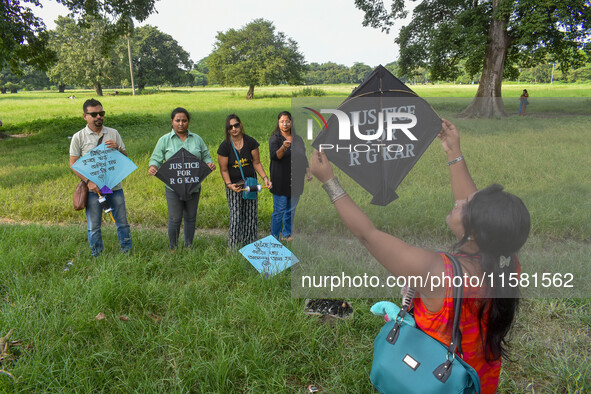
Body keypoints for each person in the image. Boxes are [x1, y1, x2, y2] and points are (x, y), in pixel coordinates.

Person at [309, 119, 530, 394]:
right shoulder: (506, 261)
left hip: (433, 380)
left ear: (474, 232)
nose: (460, 201)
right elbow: (476, 208)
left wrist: (329, 180)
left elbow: (368, 235)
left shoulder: (437, 272)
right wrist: (452, 151)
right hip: (475, 379)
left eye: (466, 206)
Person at [69, 99, 132, 257]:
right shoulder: (79, 137)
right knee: (94, 225)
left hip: (113, 186)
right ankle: (97, 255)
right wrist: (89, 182)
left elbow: (125, 157)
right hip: (93, 189)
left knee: (122, 222)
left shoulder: (113, 133)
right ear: (85, 116)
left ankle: (127, 252)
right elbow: (73, 164)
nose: (99, 117)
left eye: (101, 113)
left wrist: (117, 148)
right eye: (94, 114)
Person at [148, 107, 216, 250]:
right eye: (177, 120)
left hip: (193, 186)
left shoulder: (197, 139)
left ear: (188, 122)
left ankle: (188, 246)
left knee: (190, 217)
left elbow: (206, 155)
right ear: (172, 122)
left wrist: (209, 163)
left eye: (184, 121)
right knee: (175, 218)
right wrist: (153, 166)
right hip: (173, 187)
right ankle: (173, 248)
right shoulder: (164, 140)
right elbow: (155, 159)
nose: (181, 124)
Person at [217, 114, 272, 248]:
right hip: (235, 185)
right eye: (230, 127)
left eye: (236, 125)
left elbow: (256, 163)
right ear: (228, 130)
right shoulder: (225, 146)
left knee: (251, 216)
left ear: (240, 125)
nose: (234, 128)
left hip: (250, 183)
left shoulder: (251, 142)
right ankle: (234, 247)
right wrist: (229, 185)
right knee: (236, 217)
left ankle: (251, 246)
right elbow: (224, 170)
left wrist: (265, 178)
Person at [269, 111, 312, 241]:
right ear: (278, 123)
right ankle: (274, 237)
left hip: (296, 180)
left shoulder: (297, 138)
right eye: (282, 121)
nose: (285, 124)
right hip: (280, 181)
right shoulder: (275, 138)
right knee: (279, 211)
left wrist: (308, 172)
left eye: (287, 121)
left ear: (291, 122)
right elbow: (275, 156)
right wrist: (283, 147)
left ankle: (287, 234)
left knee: (291, 210)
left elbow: (303, 156)